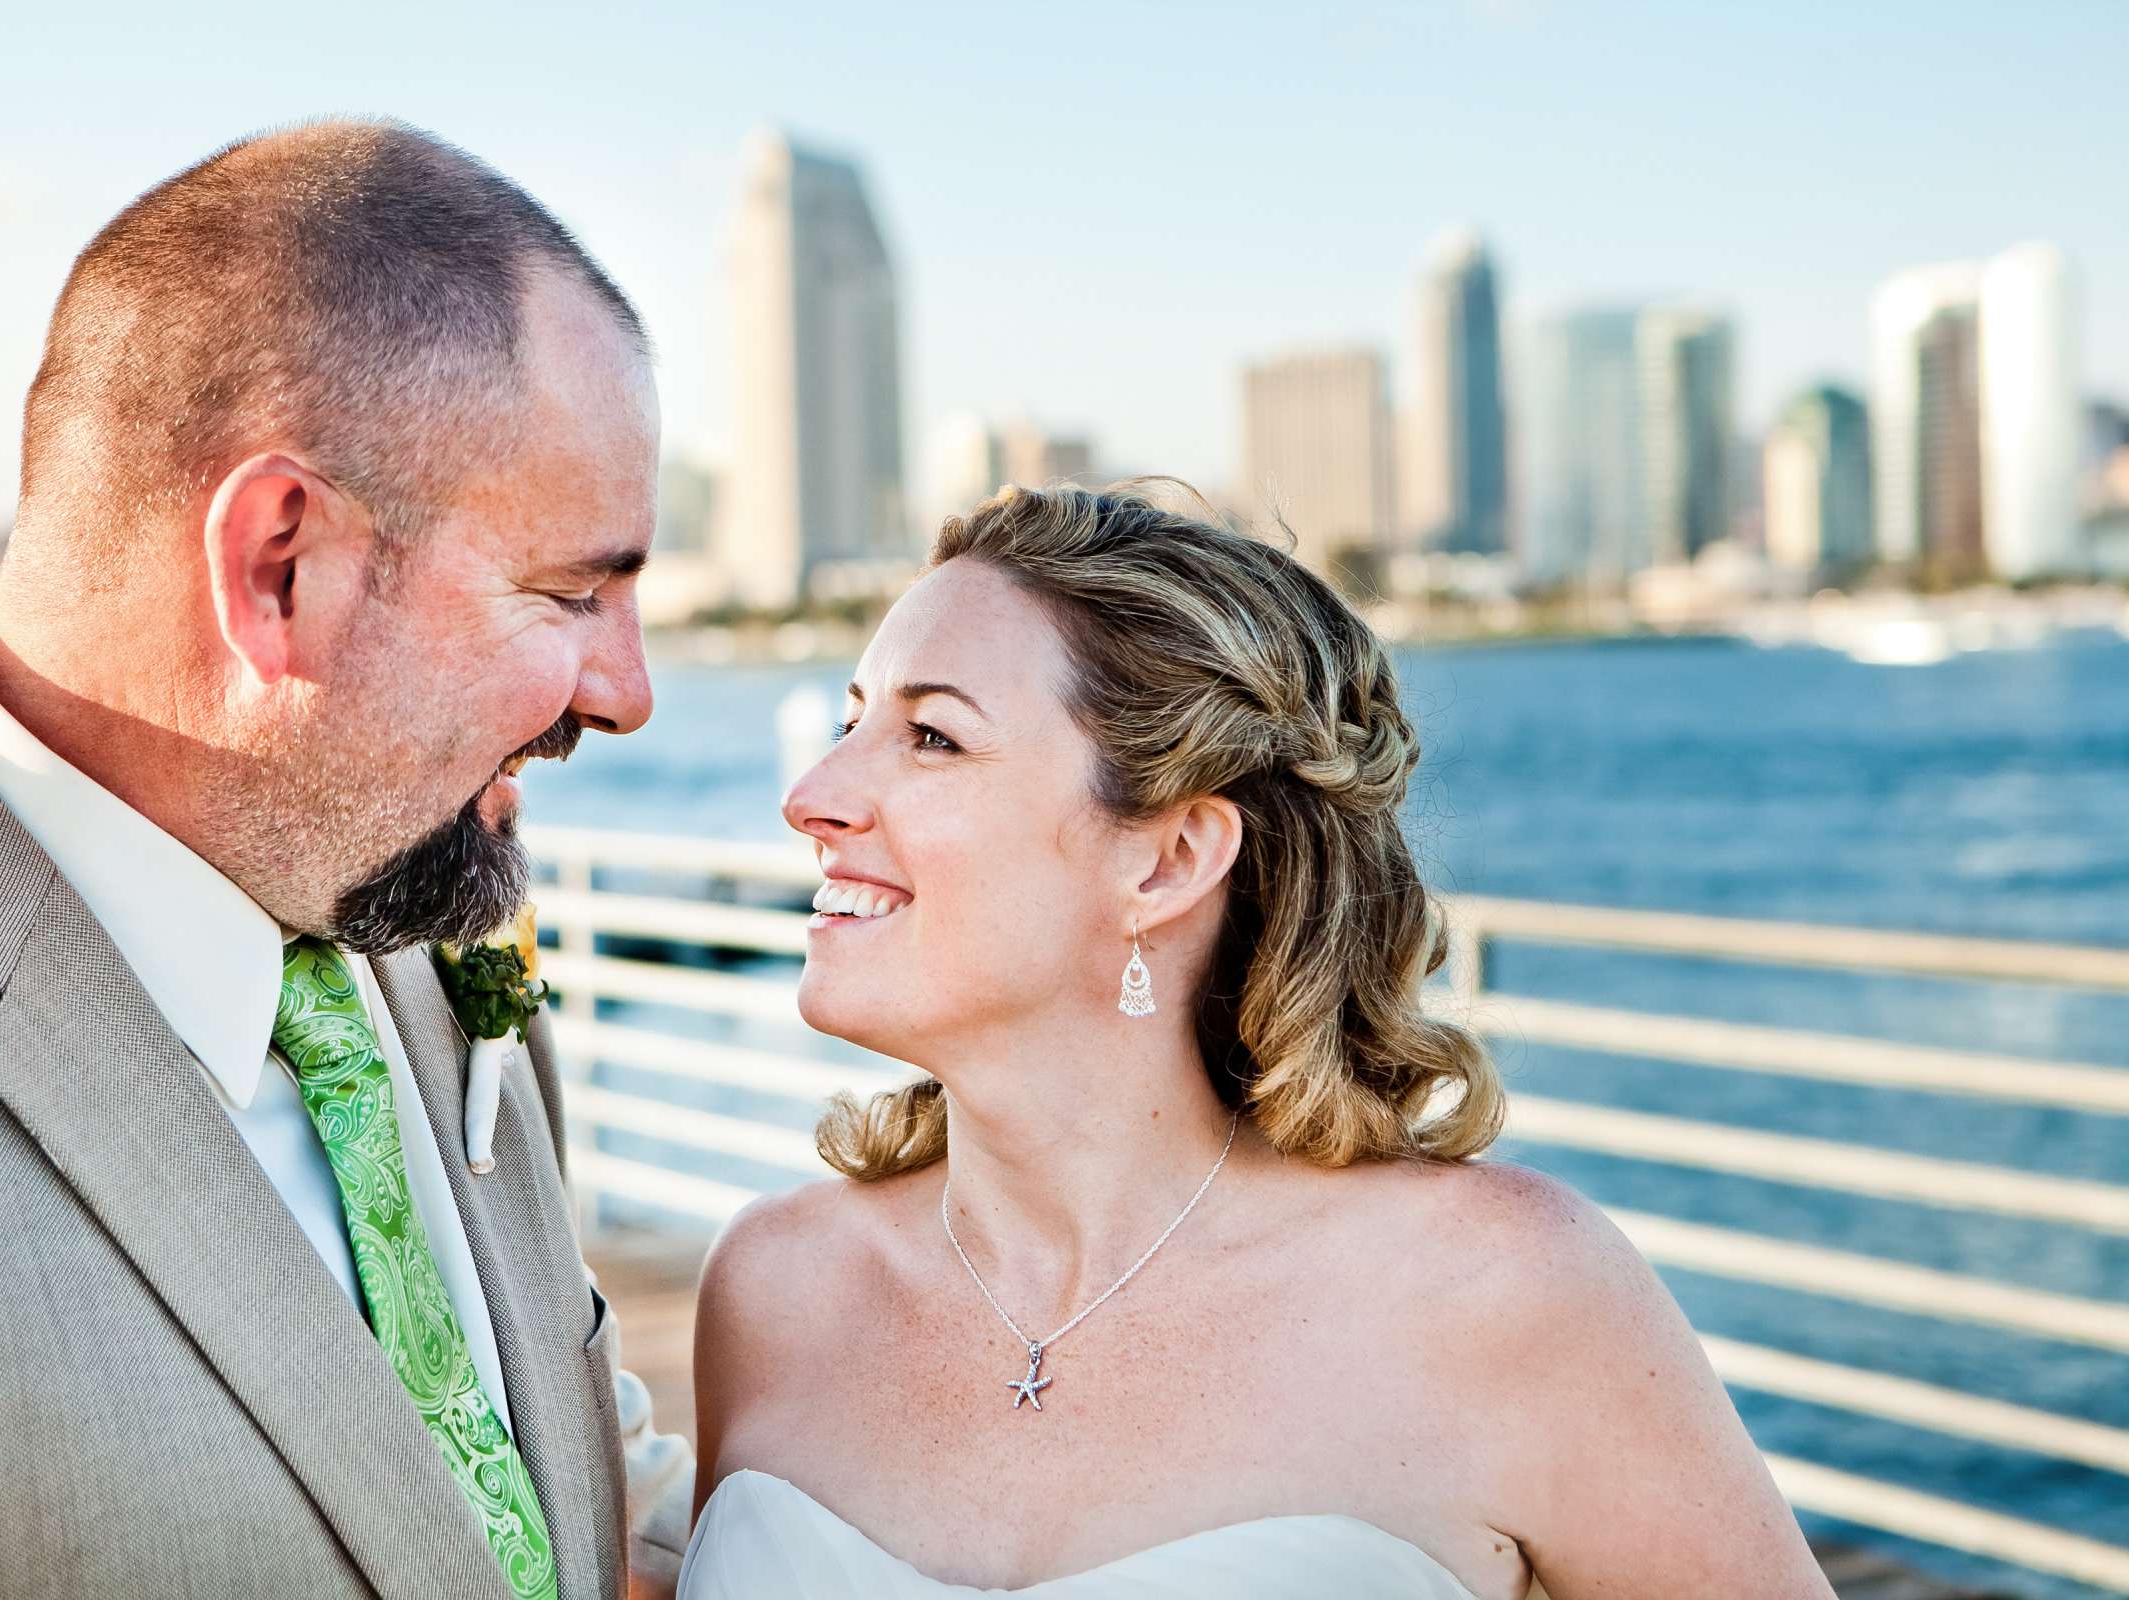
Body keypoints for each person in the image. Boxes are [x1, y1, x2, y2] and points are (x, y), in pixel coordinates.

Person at [0, 121, 690, 1600]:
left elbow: (575, 1498)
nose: (626, 694)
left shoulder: (413, 890)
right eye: (573, 593)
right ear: (280, 564)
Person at [684, 483, 1834, 1599]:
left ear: (1169, 859)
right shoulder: (775, 1292)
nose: (812, 794)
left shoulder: (1502, 1294)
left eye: (931, 736)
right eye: (850, 722)